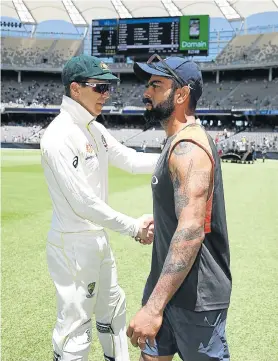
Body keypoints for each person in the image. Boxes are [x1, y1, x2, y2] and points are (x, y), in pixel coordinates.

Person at [40, 54, 160, 361]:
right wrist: (134, 227)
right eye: (100, 87)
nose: (106, 95)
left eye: (109, 88)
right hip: (72, 244)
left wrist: (176, 154)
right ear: (76, 89)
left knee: (113, 310)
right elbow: (83, 202)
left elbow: (131, 160)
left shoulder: (94, 128)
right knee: (76, 329)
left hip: (96, 239)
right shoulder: (57, 136)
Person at [127, 54, 232, 361]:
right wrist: (161, 222)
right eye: (148, 85)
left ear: (182, 94)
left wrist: (153, 307)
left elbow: (190, 230)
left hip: (196, 299)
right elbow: (184, 216)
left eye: (156, 85)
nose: (146, 93)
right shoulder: (176, 142)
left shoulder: (188, 148)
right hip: (165, 285)